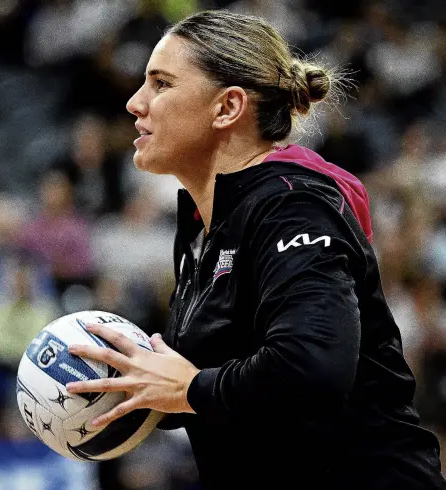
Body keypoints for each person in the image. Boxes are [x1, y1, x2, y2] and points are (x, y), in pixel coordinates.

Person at [65, 10, 446, 490]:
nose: (134, 103)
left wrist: (188, 389)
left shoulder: (292, 205)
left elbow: (312, 365)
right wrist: (133, 388)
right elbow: (233, 390)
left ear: (227, 108)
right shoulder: (209, 227)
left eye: (161, 84)